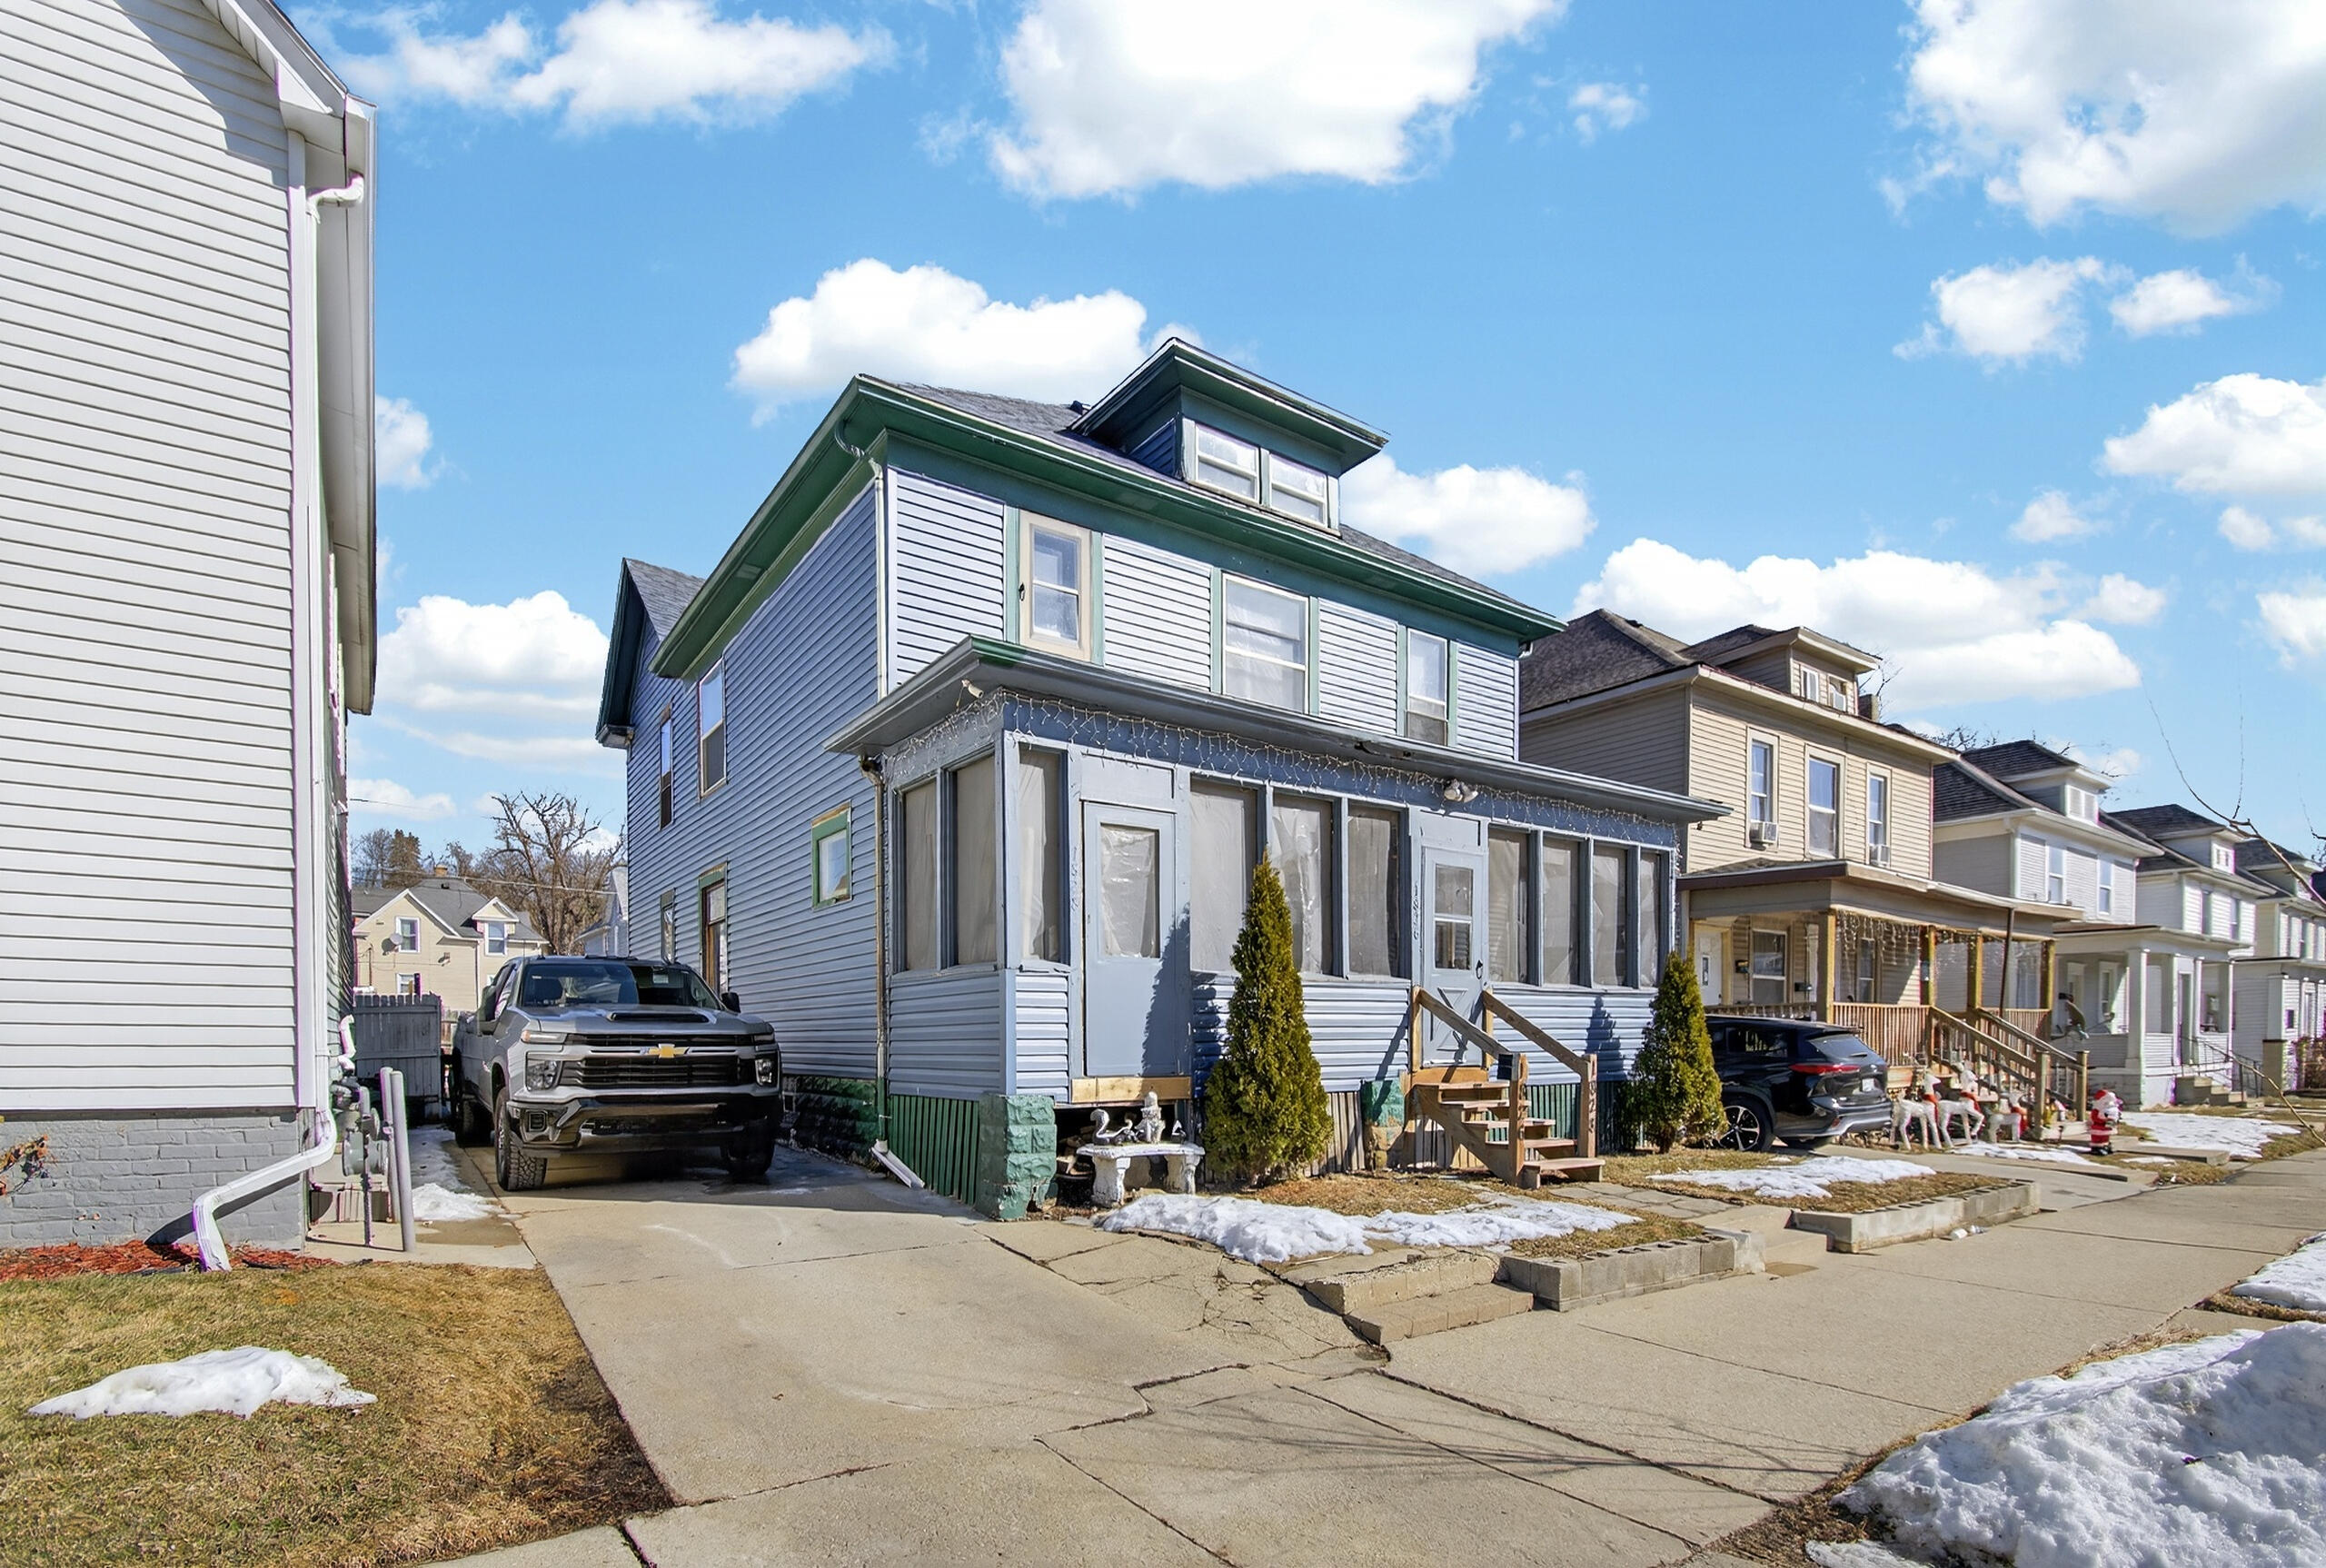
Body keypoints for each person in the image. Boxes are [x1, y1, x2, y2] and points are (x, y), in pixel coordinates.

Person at [2088, 1085, 2122, 1156]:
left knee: (2105, 1137)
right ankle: (2097, 1148)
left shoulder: (2110, 1106)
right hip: (2098, 1126)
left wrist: (2113, 1120)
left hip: (2107, 1125)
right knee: (2097, 1138)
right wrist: (2102, 1120)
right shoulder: (2098, 1108)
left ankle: (2105, 1146)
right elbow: (2094, 1117)